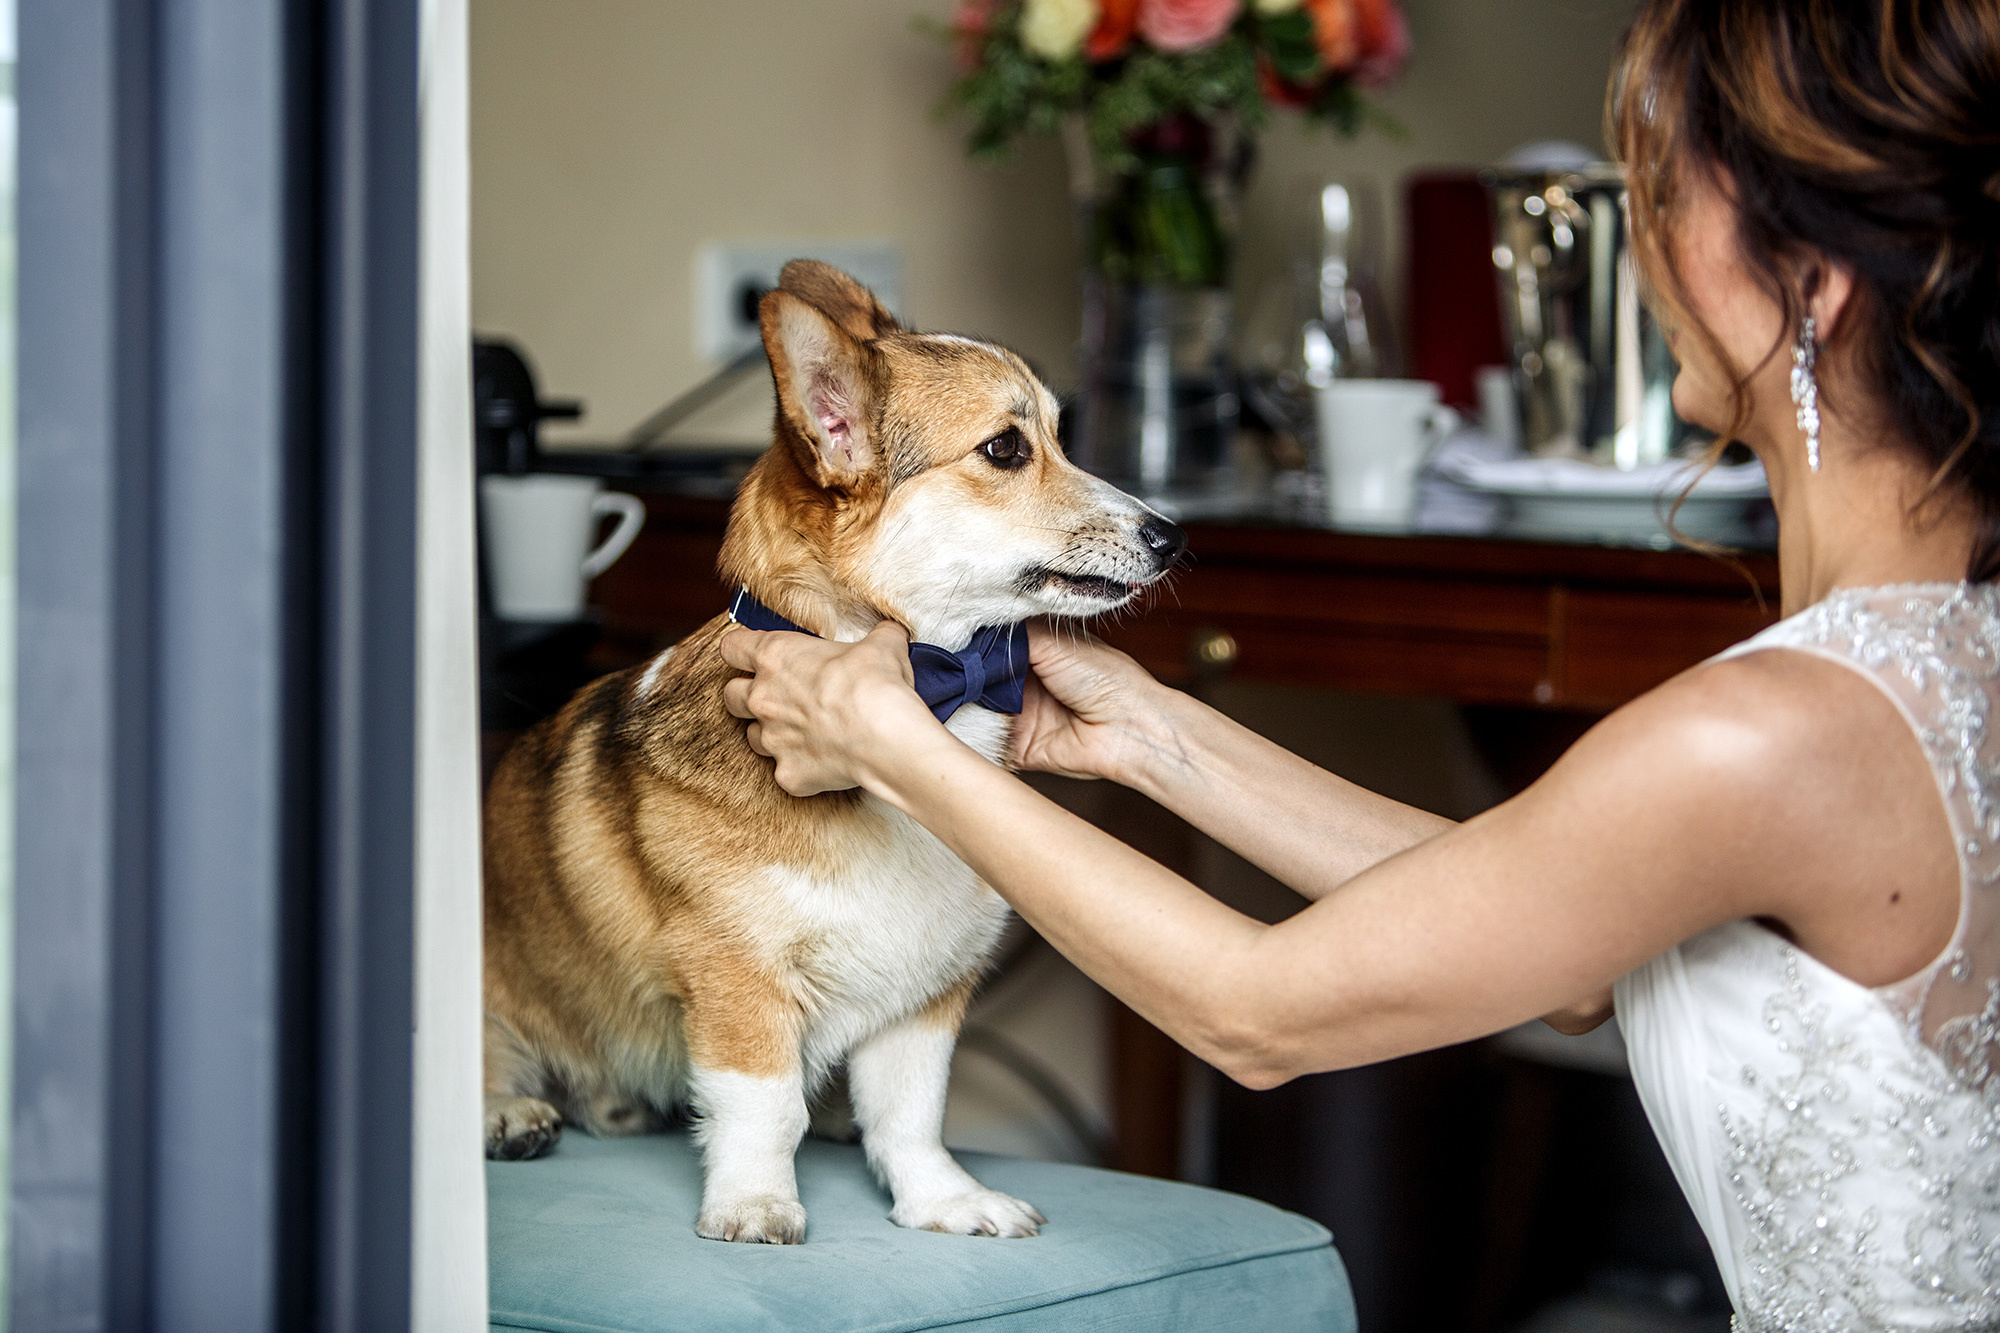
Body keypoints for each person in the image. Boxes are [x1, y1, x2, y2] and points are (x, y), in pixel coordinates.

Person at [719, 0, 2000, 1324]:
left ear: (1813, 282)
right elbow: (1562, 948)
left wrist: (903, 752)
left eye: (1666, 191)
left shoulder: (1769, 732)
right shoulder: (1944, 660)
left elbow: (1252, 1011)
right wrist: (1153, 736)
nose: (1647, 249)